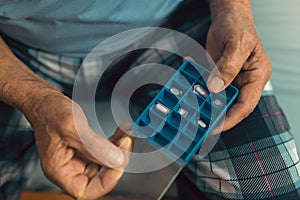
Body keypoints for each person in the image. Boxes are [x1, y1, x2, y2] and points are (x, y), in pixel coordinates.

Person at [0, 0, 299, 199]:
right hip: (16, 52)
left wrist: (232, 10)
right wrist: (33, 97)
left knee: (271, 189)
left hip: (168, 28)